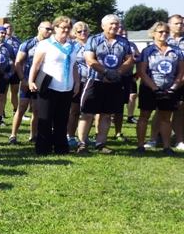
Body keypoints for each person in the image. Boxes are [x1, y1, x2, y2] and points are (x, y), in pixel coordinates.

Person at [76, 14, 134, 154]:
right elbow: (90, 59)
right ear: (103, 26)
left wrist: (118, 72)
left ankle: (100, 144)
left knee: (106, 114)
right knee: (87, 113)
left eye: (116, 24)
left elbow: (129, 60)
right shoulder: (94, 39)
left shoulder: (123, 42)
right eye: (111, 23)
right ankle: (82, 144)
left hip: (114, 83)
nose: (114, 26)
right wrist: (106, 72)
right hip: (95, 81)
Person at [27, 16, 79, 155]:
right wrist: (31, 81)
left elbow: (74, 66)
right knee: (45, 119)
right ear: (55, 28)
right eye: (63, 27)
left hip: (66, 87)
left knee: (62, 120)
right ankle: (43, 148)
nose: (66, 30)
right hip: (49, 86)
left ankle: (61, 147)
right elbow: (36, 64)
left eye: (68, 28)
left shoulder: (72, 46)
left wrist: (76, 83)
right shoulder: (45, 44)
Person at [135, 22, 183, 155]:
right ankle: (140, 146)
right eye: (160, 32)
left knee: (166, 118)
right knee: (144, 116)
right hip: (149, 89)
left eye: (166, 32)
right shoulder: (147, 51)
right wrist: (155, 88)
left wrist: (173, 88)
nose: (164, 34)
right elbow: (142, 71)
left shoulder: (176, 51)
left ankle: (167, 147)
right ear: (153, 33)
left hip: (169, 89)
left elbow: (181, 72)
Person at [8, 21, 52, 144]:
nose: (50, 31)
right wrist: (23, 79)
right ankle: (13, 135)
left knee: (37, 110)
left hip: (43, 81)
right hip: (27, 80)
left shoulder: (52, 44)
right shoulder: (28, 44)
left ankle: (33, 135)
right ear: (39, 28)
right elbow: (18, 63)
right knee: (22, 108)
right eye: (47, 29)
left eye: (51, 29)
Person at [67, 21, 91, 148]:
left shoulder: (92, 44)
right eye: (79, 31)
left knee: (88, 110)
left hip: (91, 80)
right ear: (74, 33)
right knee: (74, 110)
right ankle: (70, 136)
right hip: (77, 81)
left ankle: (84, 136)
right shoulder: (71, 45)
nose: (83, 33)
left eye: (85, 30)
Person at [0, 25, 15, 127]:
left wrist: (10, 73)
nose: (3, 35)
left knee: (1, 97)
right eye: (1, 32)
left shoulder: (8, 47)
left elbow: (13, 60)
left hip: (2, 75)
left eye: (5, 33)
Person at [167, 14, 184, 150]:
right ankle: (156, 137)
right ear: (169, 25)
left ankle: (179, 139)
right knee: (162, 109)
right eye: (177, 23)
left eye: (182, 23)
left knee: (180, 108)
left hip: (182, 79)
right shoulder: (163, 38)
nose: (180, 26)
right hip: (165, 80)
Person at [2, 21, 21, 114]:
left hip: (15, 69)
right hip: (5, 69)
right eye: (6, 27)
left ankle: (15, 111)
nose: (9, 29)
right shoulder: (1, 40)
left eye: (10, 27)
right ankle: (1, 112)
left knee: (15, 91)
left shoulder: (17, 40)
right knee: (3, 92)